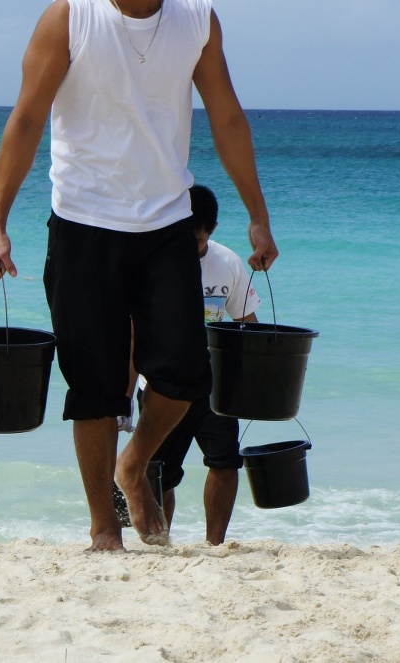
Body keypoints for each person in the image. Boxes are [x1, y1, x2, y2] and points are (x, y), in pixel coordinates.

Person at [0, 0, 278, 551]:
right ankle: (101, 525)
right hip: (83, 221)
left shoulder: (197, 16)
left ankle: (134, 460)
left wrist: (257, 214)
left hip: (166, 222)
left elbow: (227, 117)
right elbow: (26, 120)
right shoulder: (69, 17)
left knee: (185, 372)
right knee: (95, 382)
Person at [137, 184, 259, 545]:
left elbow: (246, 323)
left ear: (212, 230)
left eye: (198, 238)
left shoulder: (228, 263)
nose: (188, 246)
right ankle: (160, 542)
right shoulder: (152, 261)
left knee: (225, 462)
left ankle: (215, 545)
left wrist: (254, 379)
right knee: (161, 473)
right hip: (161, 382)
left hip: (214, 387)